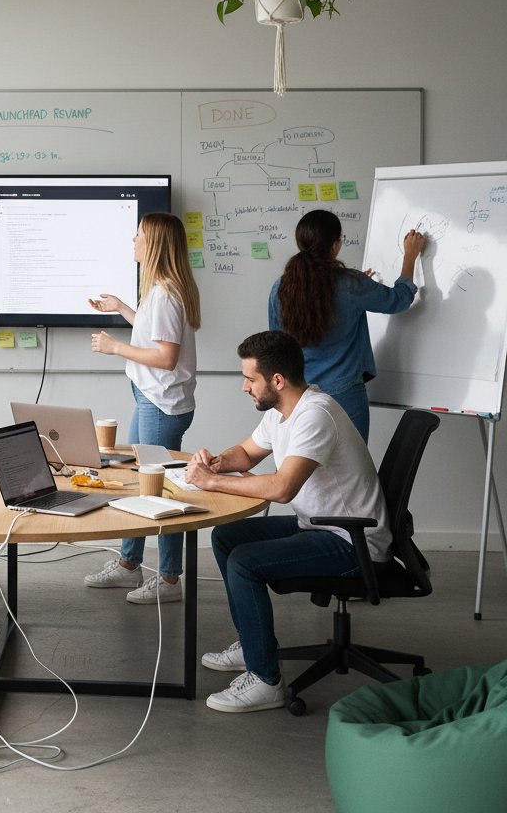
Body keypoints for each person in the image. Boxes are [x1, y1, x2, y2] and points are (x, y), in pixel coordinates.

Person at [185, 330, 391, 714]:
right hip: (322, 524)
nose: (245, 387)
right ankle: (252, 645)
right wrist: (214, 463)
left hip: (351, 540)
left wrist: (211, 482)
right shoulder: (283, 412)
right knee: (228, 537)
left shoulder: (315, 415)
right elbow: (246, 454)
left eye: (250, 379)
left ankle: (266, 681)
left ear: (277, 381)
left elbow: (282, 489)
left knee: (244, 563)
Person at [84, 211, 200, 604]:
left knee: (160, 491)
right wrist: (121, 309)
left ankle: (169, 580)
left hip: (160, 405)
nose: (132, 241)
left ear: (153, 244)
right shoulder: (161, 290)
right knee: (139, 483)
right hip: (153, 400)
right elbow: (153, 336)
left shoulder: (166, 293)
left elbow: (166, 357)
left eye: (138, 236)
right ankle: (129, 564)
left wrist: (115, 347)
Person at [269, 208, 426, 441]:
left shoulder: (280, 287)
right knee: (353, 468)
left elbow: (277, 343)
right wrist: (409, 257)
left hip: (298, 395)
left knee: (301, 470)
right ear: (335, 245)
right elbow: (399, 299)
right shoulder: (351, 285)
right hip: (344, 394)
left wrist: (358, 287)